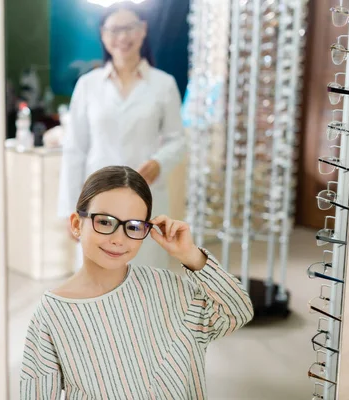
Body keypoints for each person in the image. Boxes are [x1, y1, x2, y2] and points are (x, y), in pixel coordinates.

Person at [22, 166, 254, 399]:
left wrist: (190, 255)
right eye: (104, 222)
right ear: (76, 224)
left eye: (133, 226)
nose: (118, 239)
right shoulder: (53, 312)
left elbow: (237, 310)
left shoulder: (169, 289)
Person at [57, 2, 187, 270]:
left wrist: (160, 162)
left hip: (146, 196)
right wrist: (69, 209)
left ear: (143, 31)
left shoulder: (164, 84)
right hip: (97, 200)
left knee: (146, 274)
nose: (123, 37)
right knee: (100, 278)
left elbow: (177, 139)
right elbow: (74, 151)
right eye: (114, 30)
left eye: (130, 28)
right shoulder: (88, 85)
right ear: (103, 36)